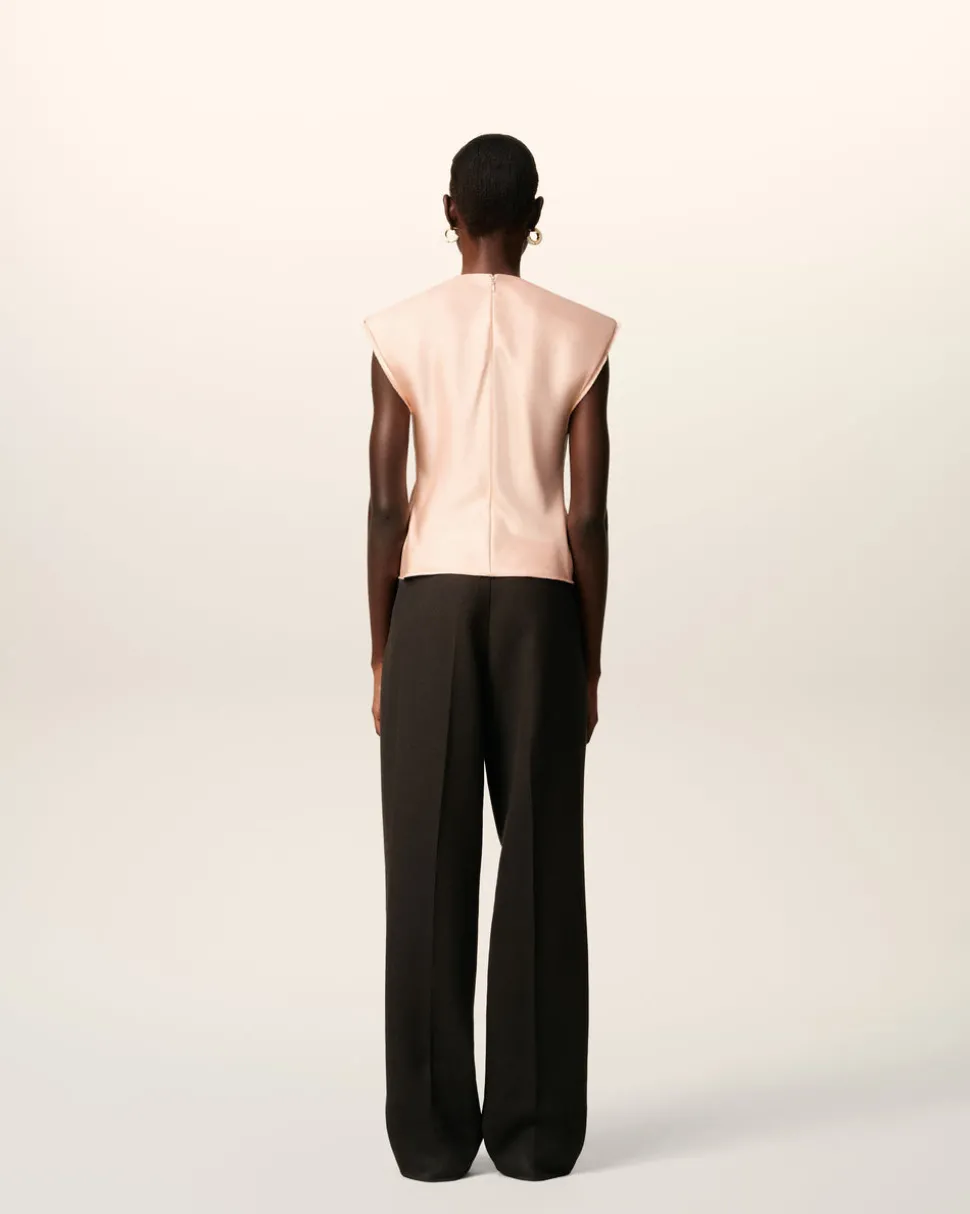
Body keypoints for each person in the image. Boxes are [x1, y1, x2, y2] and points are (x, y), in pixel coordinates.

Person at [363, 132, 618, 1183]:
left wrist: (381, 651)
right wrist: (587, 658)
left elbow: (387, 501)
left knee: (426, 864)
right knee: (543, 861)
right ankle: (537, 1134)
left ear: (448, 213)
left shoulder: (399, 331)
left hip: (428, 605)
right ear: (536, 216)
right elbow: (588, 513)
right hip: (539, 605)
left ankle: (430, 1139)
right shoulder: (582, 335)